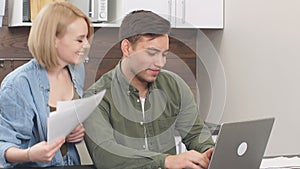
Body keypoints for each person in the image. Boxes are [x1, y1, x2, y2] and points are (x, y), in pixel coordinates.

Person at [83, 10, 214, 169]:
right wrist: (166, 161)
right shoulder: (97, 96)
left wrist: (209, 151)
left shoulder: (175, 86)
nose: (160, 63)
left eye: (164, 54)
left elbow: (195, 133)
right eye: (151, 53)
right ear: (127, 48)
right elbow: (105, 154)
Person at [0, 2, 94, 168]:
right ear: (53, 39)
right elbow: (3, 146)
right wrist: (30, 154)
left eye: (87, 38)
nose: (86, 45)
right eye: (79, 39)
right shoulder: (17, 85)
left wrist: (75, 130)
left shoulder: (76, 70)